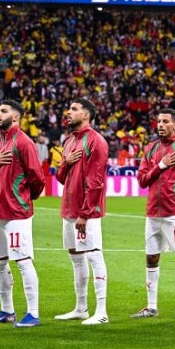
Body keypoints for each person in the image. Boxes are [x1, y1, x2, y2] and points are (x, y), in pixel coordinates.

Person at [0, 99, 46, 327]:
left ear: (16, 117)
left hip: (16, 212)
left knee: (23, 261)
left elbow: (37, 178)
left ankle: (33, 313)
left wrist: (25, 199)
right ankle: (7, 311)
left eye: (4, 111)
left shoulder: (24, 142)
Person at [133, 108, 175, 321]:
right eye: (158, 121)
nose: (160, 125)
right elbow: (142, 180)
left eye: (165, 121)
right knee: (151, 258)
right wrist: (160, 166)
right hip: (152, 214)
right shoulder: (151, 149)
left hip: (173, 215)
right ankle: (151, 306)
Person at [54, 98, 110, 325]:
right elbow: (59, 177)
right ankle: (81, 308)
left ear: (86, 115)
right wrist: (66, 162)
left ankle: (102, 312)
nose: (69, 112)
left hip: (86, 214)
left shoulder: (96, 142)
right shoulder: (68, 142)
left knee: (94, 257)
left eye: (74, 109)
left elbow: (96, 183)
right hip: (69, 211)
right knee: (76, 259)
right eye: (69, 108)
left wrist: (85, 213)